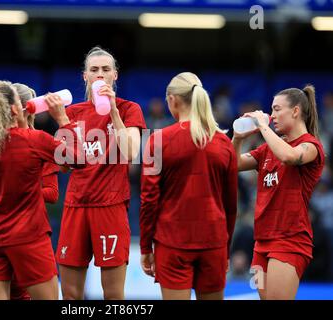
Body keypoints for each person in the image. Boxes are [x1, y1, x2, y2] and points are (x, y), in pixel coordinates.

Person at [0, 84, 81, 300]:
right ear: (16, 109)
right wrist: (63, 120)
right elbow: (79, 160)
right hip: (29, 238)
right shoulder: (33, 140)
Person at [55, 46, 147, 300]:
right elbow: (62, 165)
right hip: (76, 204)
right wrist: (63, 124)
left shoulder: (130, 109)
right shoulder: (73, 112)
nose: (100, 75)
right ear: (85, 76)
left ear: (115, 76)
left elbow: (130, 152)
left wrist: (114, 112)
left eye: (106, 70)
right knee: (71, 295)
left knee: (113, 295)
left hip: (110, 205)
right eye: (94, 70)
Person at [139, 72, 237, 300]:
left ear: (172, 99)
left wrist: (145, 247)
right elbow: (231, 203)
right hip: (214, 242)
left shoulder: (158, 140)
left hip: (172, 243)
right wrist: (226, 247)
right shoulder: (224, 143)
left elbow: (149, 199)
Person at [232, 85, 325, 300]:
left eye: (276, 109)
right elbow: (233, 163)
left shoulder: (310, 146)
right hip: (261, 241)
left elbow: (289, 157)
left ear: (295, 111)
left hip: (289, 240)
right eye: (271, 111)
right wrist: (238, 138)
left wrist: (264, 127)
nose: (271, 115)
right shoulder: (267, 149)